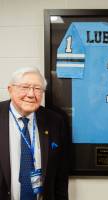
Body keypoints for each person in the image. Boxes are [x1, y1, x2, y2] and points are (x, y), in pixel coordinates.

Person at [0, 67, 69, 200]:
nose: (31, 94)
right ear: (10, 89)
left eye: (37, 89)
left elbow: (61, 176)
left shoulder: (55, 121)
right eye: (25, 87)